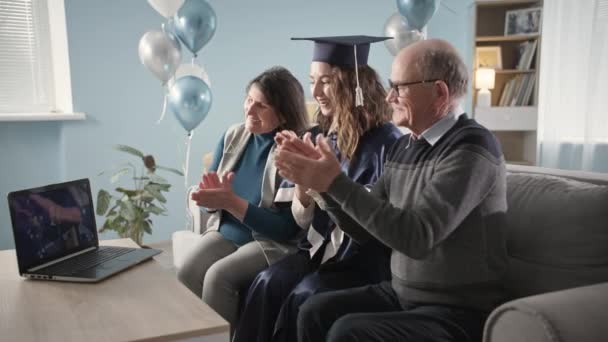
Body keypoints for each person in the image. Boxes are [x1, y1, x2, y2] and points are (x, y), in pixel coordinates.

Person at [275, 39, 508, 342]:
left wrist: (336, 182)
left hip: (456, 310)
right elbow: (364, 232)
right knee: (312, 310)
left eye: (400, 87)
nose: (389, 96)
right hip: (401, 294)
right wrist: (323, 187)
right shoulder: (404, 146)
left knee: (347, 332)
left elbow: (417, 237)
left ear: (439, 93)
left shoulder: (472, 147)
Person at [232, 36, 403, 342]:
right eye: (313, 81)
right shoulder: (319, 136)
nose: (315, 92)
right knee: (267, 282)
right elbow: (300, 220)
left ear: (354, 85)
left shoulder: (386, 143)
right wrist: (301, 183)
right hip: (317, 250)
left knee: (304, 296)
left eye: (326, 81)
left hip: (362, 260)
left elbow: (375, 221)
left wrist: (322, 184)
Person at [176, 66, 309, 328]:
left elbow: (285, 229)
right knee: (187, 270)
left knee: (218, 277)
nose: (249, 110)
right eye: (249, 99)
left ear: (283, 113)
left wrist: (230, 203)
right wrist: (210, 200)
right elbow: (212, 203)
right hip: (225, 232)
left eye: (261, 105)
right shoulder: (232, 136)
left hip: (266, 241)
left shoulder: (292, 148)